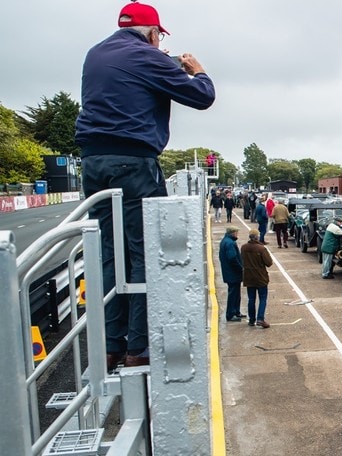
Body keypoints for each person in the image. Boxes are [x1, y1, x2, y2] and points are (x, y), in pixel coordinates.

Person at [74, 1, 215, 370]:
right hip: (133, 163)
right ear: (153, 34)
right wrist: (195, 71)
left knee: (109, 252)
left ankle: (109, 347)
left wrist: (158, 61)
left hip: (93, 163)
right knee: (144, 253)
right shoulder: (148, 57)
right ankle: (140, 348)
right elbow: (203, 97)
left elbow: (126, 80)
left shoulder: (95, 53)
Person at [240, 229, 273, 328]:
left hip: (248, 276)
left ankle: (251, 319)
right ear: (257, 237)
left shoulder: (243, 248)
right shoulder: (261, 249)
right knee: (262, 298)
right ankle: (260, 318)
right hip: (260, 276)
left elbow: (242, 260)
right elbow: (269, 263)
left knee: (251, 299)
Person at [219, 226, 244, 322]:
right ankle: (231, 313)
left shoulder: (226, 241)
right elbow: (232, 258)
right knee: (233, 293)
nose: (237, 234)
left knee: (236, 293)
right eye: (236, 232)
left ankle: (236, 311)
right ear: (232, 233)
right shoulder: (230, 243)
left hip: (229, 272)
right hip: (232, 273)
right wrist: (240, 268)